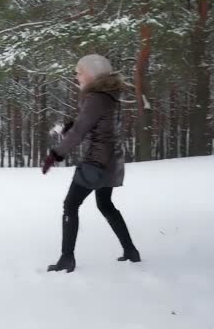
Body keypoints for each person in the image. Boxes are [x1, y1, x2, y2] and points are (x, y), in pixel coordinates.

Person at [42, 54, 140, 273]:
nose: (77, 75)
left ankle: (67, 258)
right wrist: (71, 125)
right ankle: (131, 251)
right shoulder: (108, 96)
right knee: (105, 205)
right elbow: (95, 123)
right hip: (112, 160)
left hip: (97, 162)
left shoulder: (96, 97)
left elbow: (79, 132)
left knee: (70, 205)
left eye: (80, 71)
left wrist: (56, 154)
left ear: (93, 74)